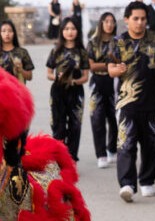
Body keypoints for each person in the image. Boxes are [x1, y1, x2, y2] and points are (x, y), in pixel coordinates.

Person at [107, 1, 155, 202]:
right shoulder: (118, 42)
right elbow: (110, 69)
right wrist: (117, 70)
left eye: (143, 19)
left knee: (150, 144)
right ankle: (127, 184)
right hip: (126, 102)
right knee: (126, 143)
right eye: (135, 19)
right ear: (126, 19)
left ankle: (147, 181)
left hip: (153, 101)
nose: (139, 22)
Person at [46, 17, 90, 161]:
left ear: (77, 31)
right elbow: (48, 74)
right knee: (58, 127)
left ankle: (71, 160)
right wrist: (57, 77)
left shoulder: (82, 51)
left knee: (75, 126)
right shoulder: (55, 51)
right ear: (61, 31)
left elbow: (85, 77)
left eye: (73, 29)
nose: (70, 32)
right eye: (66, 29)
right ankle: (59, 159)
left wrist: (75, 81)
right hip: (58, 92)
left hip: (76, 92)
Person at [87, 12, 118, 168]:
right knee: (97, 119)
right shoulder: (93, 43)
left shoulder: (118, 42)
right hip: (97, 83)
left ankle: (112, 149)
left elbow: (122, 63)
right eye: (106, 21)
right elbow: (91, 66)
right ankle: (101, 154)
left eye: (112, 21)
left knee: (115, 118)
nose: (109, 24)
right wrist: (109, 65)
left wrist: (108, 66)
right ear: (101, 23)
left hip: (115, 82)